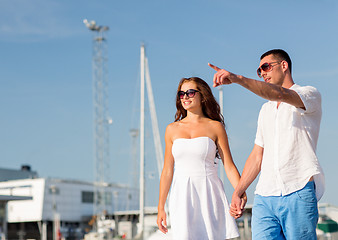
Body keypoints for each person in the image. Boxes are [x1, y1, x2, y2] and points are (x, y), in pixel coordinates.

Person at [209, 49, 325, 239]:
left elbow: (279, 94)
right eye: (259, 70)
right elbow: (257, 156)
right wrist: (238, 191)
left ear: (284, 66)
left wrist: (238, 79)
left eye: (266, 67)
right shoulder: (265, 110)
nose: (262, 73)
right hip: (264, 196)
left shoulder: (309, 94)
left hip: (298, 190)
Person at [156, 77, 246, 240]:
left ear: (202, 95)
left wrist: (241, 191)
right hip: (182, 194)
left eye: (190, 92)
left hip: (209, 191)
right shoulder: (171, 129)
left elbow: (229, 165)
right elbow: (167, 170)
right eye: (181, 94)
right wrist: (161, 206)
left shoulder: (215, 127)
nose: (185, 97)